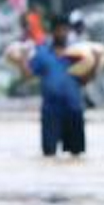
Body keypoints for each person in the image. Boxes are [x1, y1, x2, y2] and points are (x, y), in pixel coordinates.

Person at [29, 16, 86, 157]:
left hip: (73, 110)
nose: (62, 34)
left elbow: (84, 80)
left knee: (76, 156)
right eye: (59, 30)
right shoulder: (42, 53)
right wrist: (19, 62)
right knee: (49, 154)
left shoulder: (77, 54)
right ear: (52, 32)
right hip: (50, 111)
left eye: (65, 30)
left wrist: (95, 64)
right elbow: (30, 74)